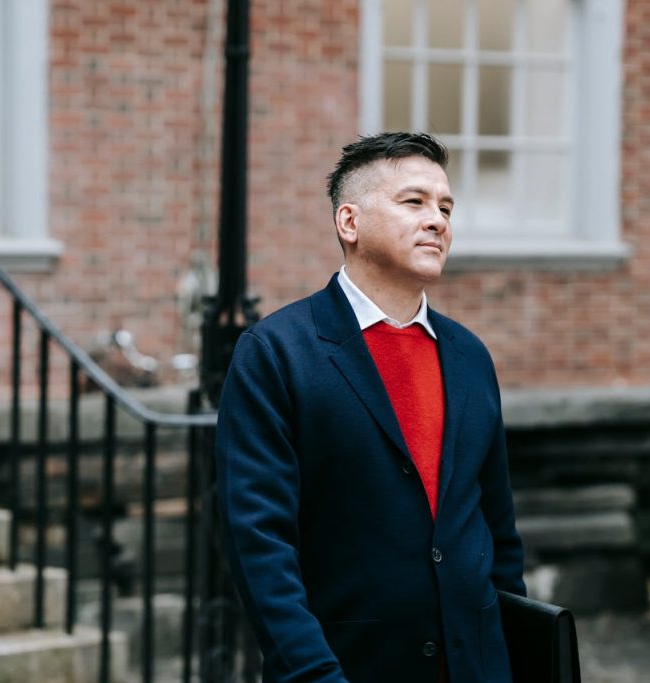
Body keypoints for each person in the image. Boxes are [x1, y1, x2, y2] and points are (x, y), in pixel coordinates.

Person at [215, 132, 526, 682]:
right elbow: (260, 548)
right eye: (414, 202)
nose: (438, 220)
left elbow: (498, 535)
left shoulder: (470, 356)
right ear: (349, 223)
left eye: (446, 207)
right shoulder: (277, 352)